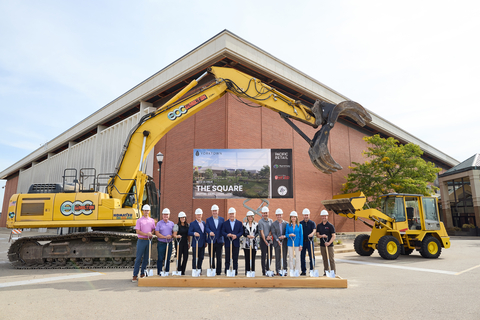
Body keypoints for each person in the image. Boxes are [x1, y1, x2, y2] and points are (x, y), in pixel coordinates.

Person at [132, 204, 155, 282]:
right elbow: (137, 231)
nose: (146, 212)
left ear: (149, 211)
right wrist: (146, 234)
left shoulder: (152, 220)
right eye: (145, 210)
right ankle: (135, 275)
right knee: (138, 258)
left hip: (148, 241)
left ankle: (142, 273)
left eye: (147, 210)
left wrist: (151, 233)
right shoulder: (139, 220)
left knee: (146, 258)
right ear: (143, 211)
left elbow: (153, 230)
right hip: (141, 240)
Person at [221, 207, 243, 275]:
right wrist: (228, 234)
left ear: (235, 214)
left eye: (233, 214)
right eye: (230, 214)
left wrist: (236, 236)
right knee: (227, 258)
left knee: (235, 259)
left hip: (236, 243)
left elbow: (241, 232)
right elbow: (222, 232)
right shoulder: (225, 223)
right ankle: (227, 271)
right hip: (228, 243)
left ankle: (235, 272)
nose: (231, 215)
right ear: (229, 215)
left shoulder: (239, 223)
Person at [205, 204, 225, 275]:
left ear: (218, 211)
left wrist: (223, 239)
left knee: (219, 257)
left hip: (219, 241)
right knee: (211, 256)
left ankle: (218, 271)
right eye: (213, 211)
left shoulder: (222, 219)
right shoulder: (208, 219)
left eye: (215, 211)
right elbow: (206, 228)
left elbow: (223, 229)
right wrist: (210, 232)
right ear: (211, 211)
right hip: (211, 241)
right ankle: (212, 270)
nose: (214, 212)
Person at [155, 208, 174, 275]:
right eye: (164, 215)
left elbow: (174, 233)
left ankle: (166, 271)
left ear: (169, 215)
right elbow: (157, 233)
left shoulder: (172, 223)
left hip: (169, 243)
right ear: (162, 215)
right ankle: (159, 272)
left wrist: (171, 236)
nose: (166, 216)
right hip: (161, 243)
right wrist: (165, 237)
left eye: (167, 215)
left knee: (168, 258)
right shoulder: (159, 223)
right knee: (160, 258)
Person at [316, 209, 336, 275]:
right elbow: (317, 235)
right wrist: (322, 236)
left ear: (327, 216)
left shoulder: (330, 226)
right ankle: (326, 272)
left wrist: (329, 243)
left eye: (325, 216)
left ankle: (333, 272)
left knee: (331, 259)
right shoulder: (319, 226)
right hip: (322, 245)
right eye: (322, 216)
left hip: (329, 246)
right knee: (324, 259)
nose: (324, 217)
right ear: (321, 217)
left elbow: (333, 236)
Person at [188, 208, 207, 275]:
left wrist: (206, 242)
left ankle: (199, 270)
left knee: (201, 257)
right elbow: (189, 232)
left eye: (200, 215)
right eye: (197, 215)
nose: (199, 216)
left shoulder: (204, 223)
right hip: (195, 244)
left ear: (202, 215)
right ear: (195, 215)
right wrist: (194, 233)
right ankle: (194, 270)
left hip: (202, 244)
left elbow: (204, 233)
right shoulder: (192, 224)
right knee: (195, 258)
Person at [300, 208, 317, 276]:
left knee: (312, 256)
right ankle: (303, 271)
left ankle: (312, 270)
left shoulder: (312, 223)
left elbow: (314, 230)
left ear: (309, 215)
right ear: (303, 216)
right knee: (302, 257)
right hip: (303, 242)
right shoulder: (300, 223)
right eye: (305, 215)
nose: (306, 216)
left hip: (310, 242)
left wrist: (312, 234)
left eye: (307, 215)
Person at [271, 208, 287, 276]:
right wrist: (277, 240)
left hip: (284, 243)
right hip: (277, 243)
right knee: (277, 258)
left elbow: (287, 232)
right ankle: (278, 270)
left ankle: (285, 270)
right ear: (276, 216)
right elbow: (273, 233)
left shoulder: (286, 223)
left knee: (284, 257)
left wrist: (284, 236)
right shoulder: (273, 224)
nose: (279, 216)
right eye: (277, 215)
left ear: (282, 215)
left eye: (280, 215)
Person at [173, 211, 190, 275]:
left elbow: (188, 235)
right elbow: (174, 234)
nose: (183, 218)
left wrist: (189, 242)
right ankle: (179, 270)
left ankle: (183, 270)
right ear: (179, 218)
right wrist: (177, 236)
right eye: (181, 217)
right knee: (178, 257)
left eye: (184, 217)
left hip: (185, 242)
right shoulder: (176, 226)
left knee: (186, 257)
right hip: (178, 243)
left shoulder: (187, 225)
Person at [258, 206, 273, 276]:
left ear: (268, 213)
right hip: (263, 240)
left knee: (270, 255)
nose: (265, 214)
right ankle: (264, 270)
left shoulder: (271, 220)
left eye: (266, 213)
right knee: (263, 255)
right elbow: (261, 232)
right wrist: (265, 240)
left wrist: (269, 236)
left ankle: (268, 268)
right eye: (264, 213)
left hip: (269, 239)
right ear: (262, 214)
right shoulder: (260, 221)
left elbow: (271, 230)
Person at [242, 211, 259, 275]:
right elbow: (243, 233)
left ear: (253, 217)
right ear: (247, 217)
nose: (250, 218)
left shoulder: (256, 224)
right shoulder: (244, 225)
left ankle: (253, 271)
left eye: (251, 216)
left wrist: (254, 236)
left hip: (254, 243)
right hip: (246, 244)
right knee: (247, 259)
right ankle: (247, 272)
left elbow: (257, 232)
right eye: (249, 216)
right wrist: (247, 236)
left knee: (253, 258)